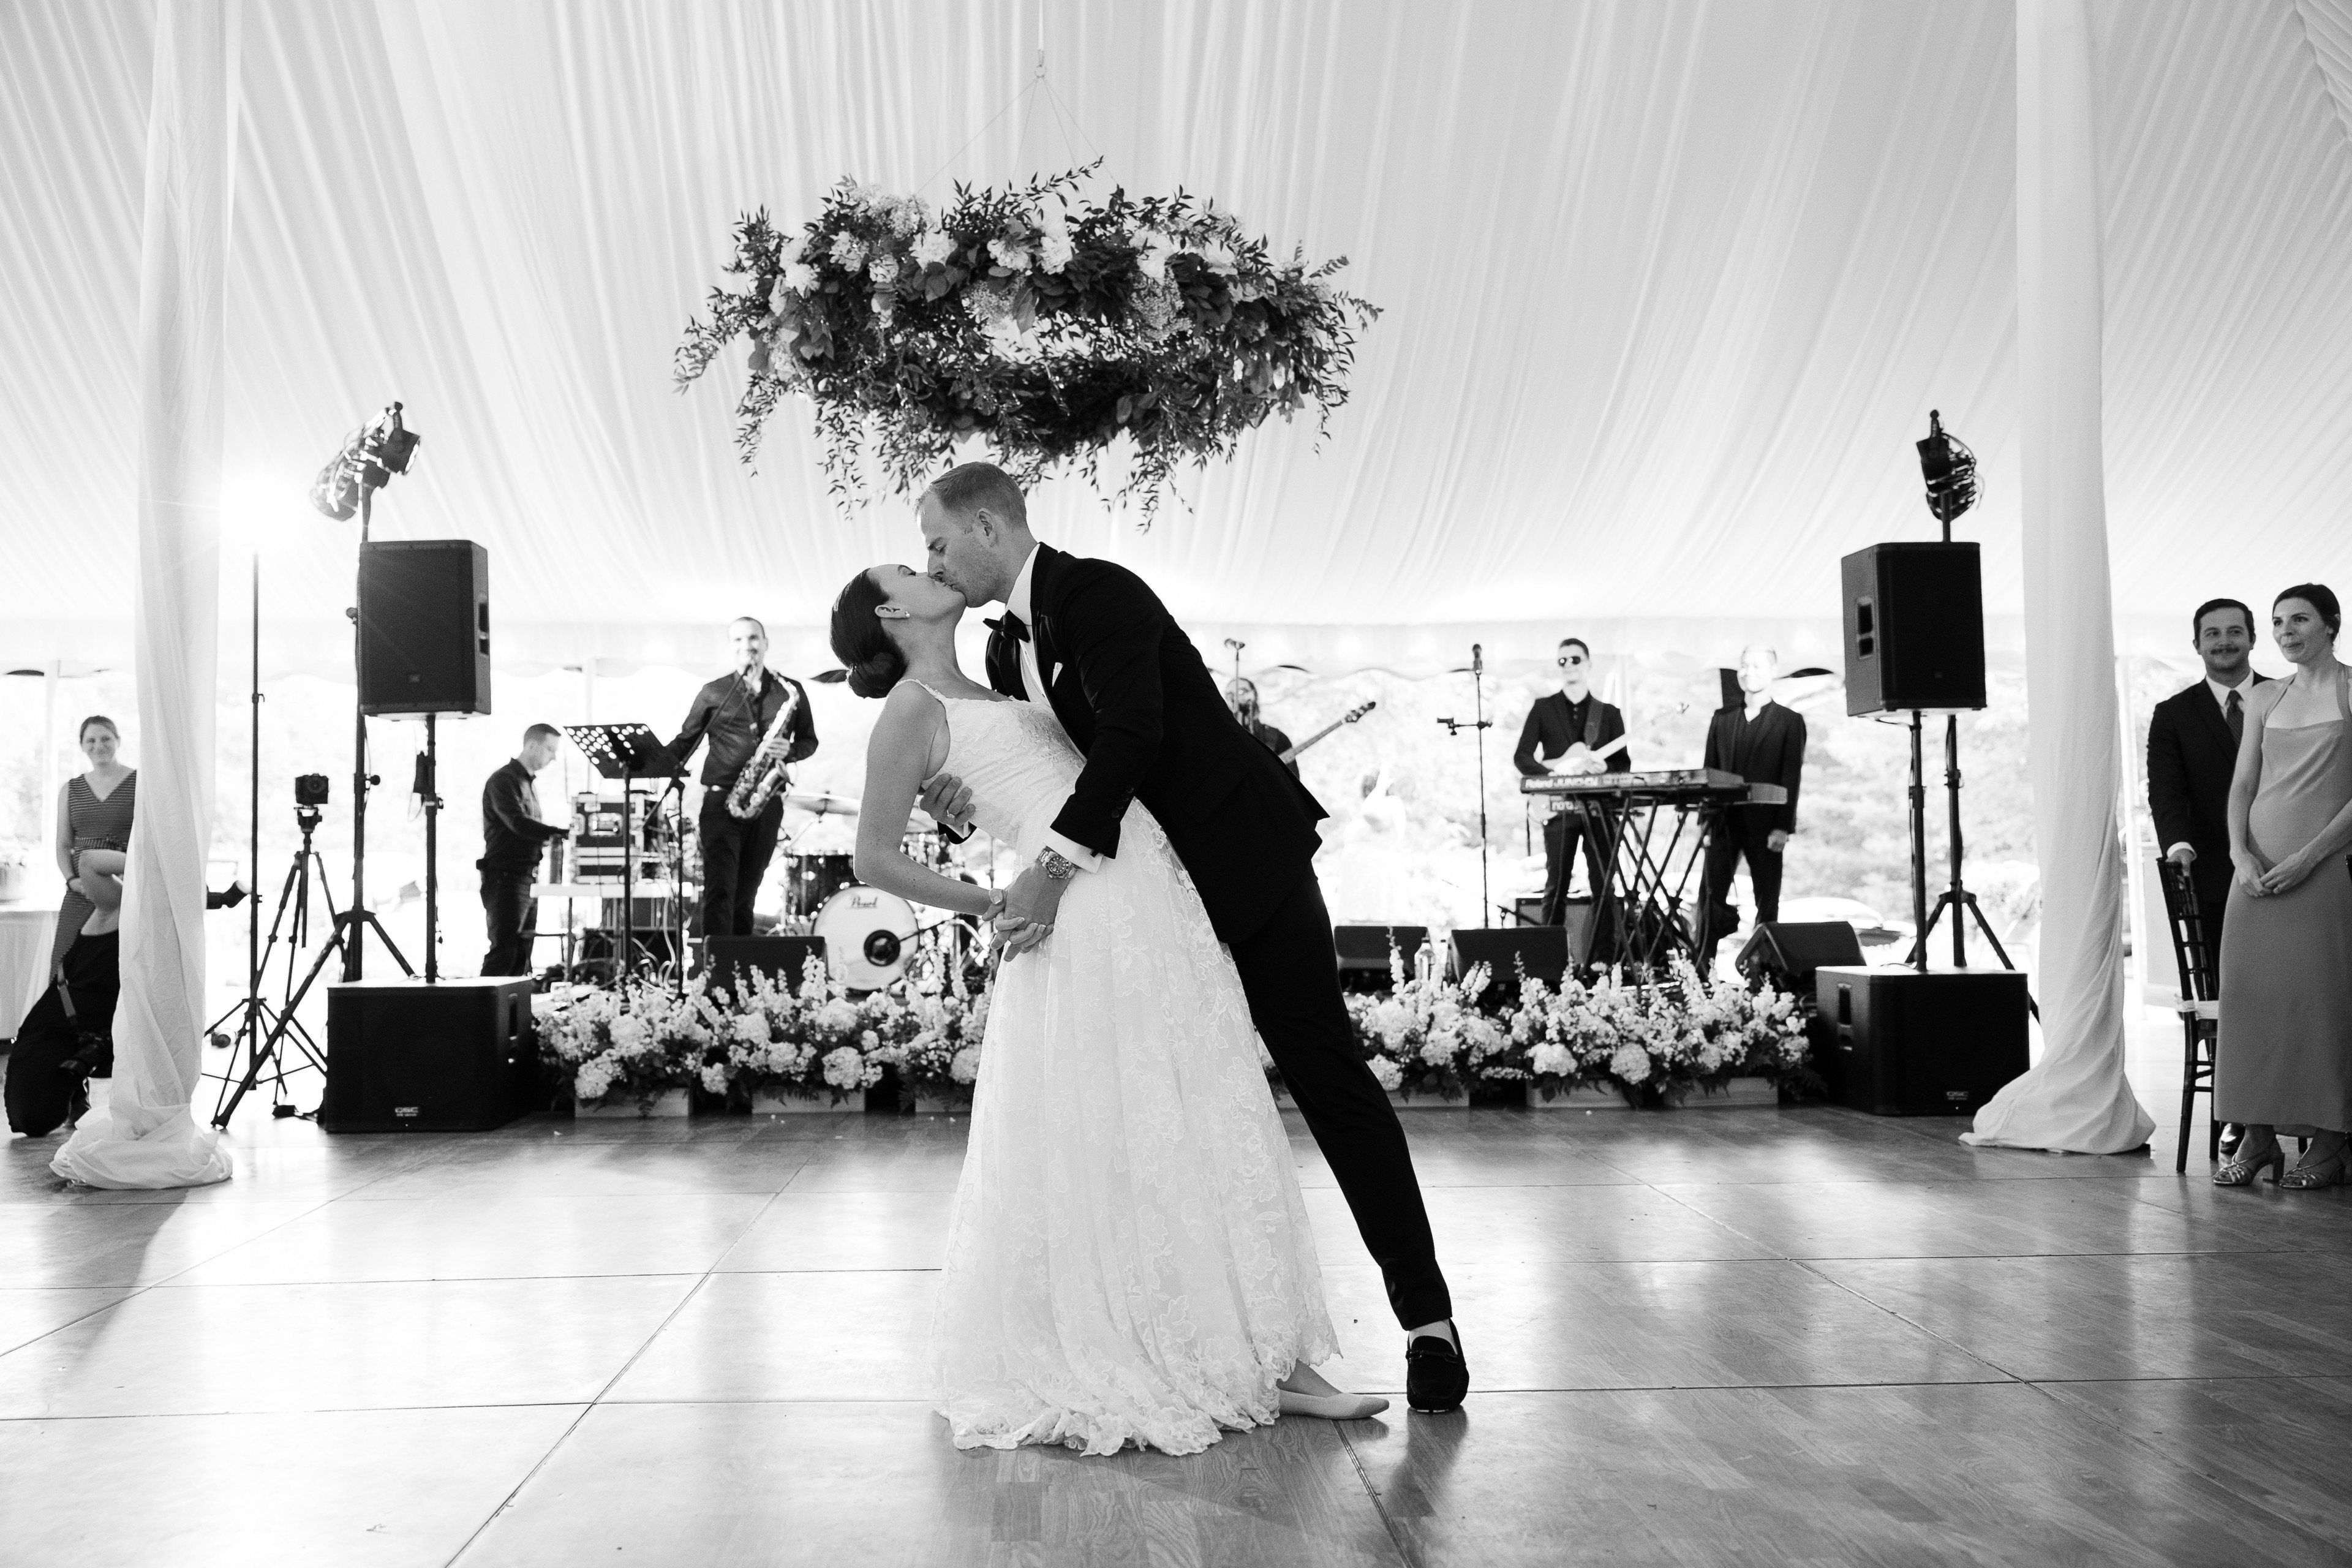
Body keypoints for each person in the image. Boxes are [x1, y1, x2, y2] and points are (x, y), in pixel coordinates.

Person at [908, 462, 1466, 1430]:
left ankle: (1430, 1322)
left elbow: (1134, 735)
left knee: (1327, 1077)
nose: (935, 562)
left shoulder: (1100, 593)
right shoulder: (1006, 657)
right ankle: (1196, 1336)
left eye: (940, 543)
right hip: (1147, 910)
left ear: (991, 526)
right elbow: (1045, 773)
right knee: (1171, 1116)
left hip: (1247, 870)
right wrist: (965, 818)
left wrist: (1046, 868)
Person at [2214, 584, 2352, 1190]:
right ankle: (2258, 1135)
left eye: (2299, 619)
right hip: (2255, 878)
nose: (2286, 630)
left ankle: (2329, 1140)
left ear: (2332, 624)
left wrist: (2312, 856)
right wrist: (2239, 853)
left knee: (2321, 1004)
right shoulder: (2266, 696)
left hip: (2323, 871)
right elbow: (2244, 785)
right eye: (2277, 622)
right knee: (2250, 1006)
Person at [6, 717, 134, 1135]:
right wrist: (73, 879)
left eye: (106, 739)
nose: (100, 746)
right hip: (79, 892)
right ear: (82, 746)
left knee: (110, 985)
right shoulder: (72, 789)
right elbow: (63, 844)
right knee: (64, 983)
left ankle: (120, 1086)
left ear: (118, 741)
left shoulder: (138, 783)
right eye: (92, 740)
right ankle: (71, 1091)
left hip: (119, 887)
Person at [668, 617, 816, 939]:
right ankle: (717, 973)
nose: (746, 646)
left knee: (749, 891)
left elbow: (809, 741)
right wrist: (649, 761)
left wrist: (788, 751)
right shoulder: (713, 691)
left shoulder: (790, 690)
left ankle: (739, 977)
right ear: (730, 647)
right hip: (721, 801)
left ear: (765, 643)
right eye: (737, 640)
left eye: (753, 638)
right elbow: (686, 741)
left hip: (767, 801)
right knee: (720, 890)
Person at [2147, 598, 2268, 984]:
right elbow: (2166, 792)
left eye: (2235, 631)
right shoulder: (2172, 714)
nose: (2223, 642)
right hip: (2214, 874)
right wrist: (2178, 848)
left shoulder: (2289, 696)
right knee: (2226, 988)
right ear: (2197, 645)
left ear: (2252, 638)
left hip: (2291, 862)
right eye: (2212, 634)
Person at [1697, 646, 1807, 970]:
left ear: (1773, 671)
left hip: (1766, 822)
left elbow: (1791, 776)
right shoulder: (1722, 718)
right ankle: (1702, 969)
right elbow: (1709, 769)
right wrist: (1705, 819)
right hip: (1723, 821)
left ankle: (1765, 970)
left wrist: (1782, 827)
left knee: (1767, 898)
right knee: (1711, 895)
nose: (1748, 672)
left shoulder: (1789, 721)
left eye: (1757, 666)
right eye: (1744, 666)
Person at [1513, 637, 1629, 925]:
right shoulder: (1543, 708)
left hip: (1599, 809)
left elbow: (1623, 765)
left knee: (1603, 886)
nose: (1569, 666)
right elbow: (1522, 756)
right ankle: (1551, 962)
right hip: (1559, 806)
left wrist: (1605, 768)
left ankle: (1603, 963)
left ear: (1589, 664)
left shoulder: (1609, 714)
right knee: (1556, 886)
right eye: (1562, 661)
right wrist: (1552, 778)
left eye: (1575, 660)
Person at [478, 723, 570, 978]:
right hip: (505, 877)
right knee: (504, 951)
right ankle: (483, 1015)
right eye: (550, 749)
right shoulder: (503, 780)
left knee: (522, 953)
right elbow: (517, 823)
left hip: (526, 877)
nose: (553, 757)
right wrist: (560, 833)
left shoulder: (526, 783)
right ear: (532, 745)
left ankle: (514, 1016)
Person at [1226, 676, 1300, 779]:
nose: (1235, 699)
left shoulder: (1278, 738)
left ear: (1254, 695)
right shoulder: (1222, 739)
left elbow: (1293, 784)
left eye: (1242, 692)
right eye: (1230, 695)